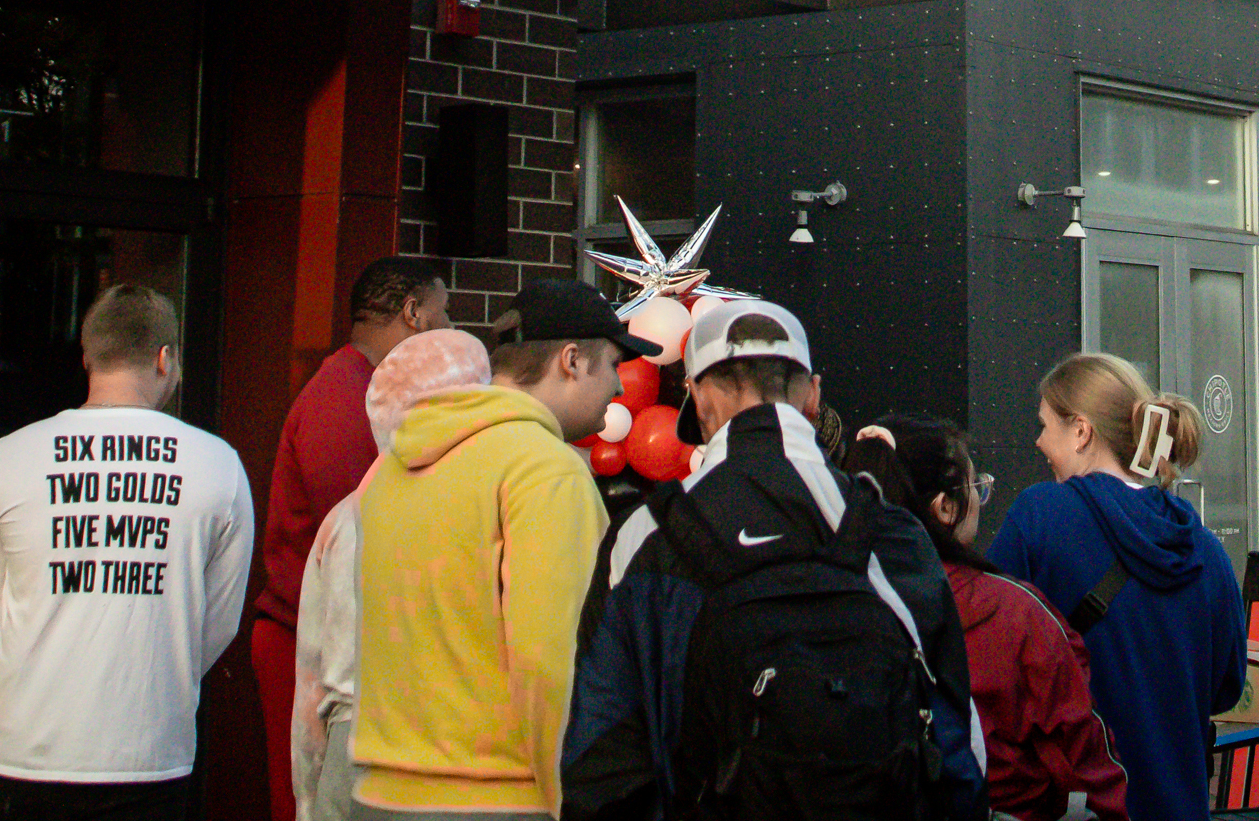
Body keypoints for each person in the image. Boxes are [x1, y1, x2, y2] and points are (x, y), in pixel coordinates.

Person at [565, 298, 984, 821]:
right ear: (813, 395)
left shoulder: (648, 536)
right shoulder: (890, 531)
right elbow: (957, 745)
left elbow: (601, 751)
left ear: (697, 398)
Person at [0, 283, 255, 819]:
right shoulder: (218, 466)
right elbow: (214, 624)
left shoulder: (9, 457)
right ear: (165, 359)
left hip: (20, 752)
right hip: (148, 754)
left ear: (87, 357)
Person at [353, 279, 635, 821]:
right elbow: (553, 660)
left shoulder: (393, 468)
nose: (621, 387)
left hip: (379, 791)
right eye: (615, 364)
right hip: (498, 797)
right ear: (572, 361)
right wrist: (574, 801)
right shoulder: (545, 469)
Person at [981, 354, 1241, 821]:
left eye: (1045, 425)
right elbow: (1226, 688)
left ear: (1081, 431)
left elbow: (987, 654)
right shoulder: (1207, 550)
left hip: (1082, 805)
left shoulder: (1039, 517)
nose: (1039, 442)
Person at [840, 412, 1128, 821]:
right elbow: (1084, 751)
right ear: (945, 508)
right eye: (976, 486)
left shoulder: (832, 600)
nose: (980, 499)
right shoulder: (1015, 613)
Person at [262, 257, 454, 820]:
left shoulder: (353, 389)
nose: (449, 329)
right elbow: (361, 538)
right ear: (414, 313)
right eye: (444, 313)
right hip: (310, 649)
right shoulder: (347, 398)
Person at [292, 327, 494, 821]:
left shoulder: (343, 519)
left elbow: (311, 683)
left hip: (351, 751)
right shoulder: (497, 507)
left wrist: (307, 801)